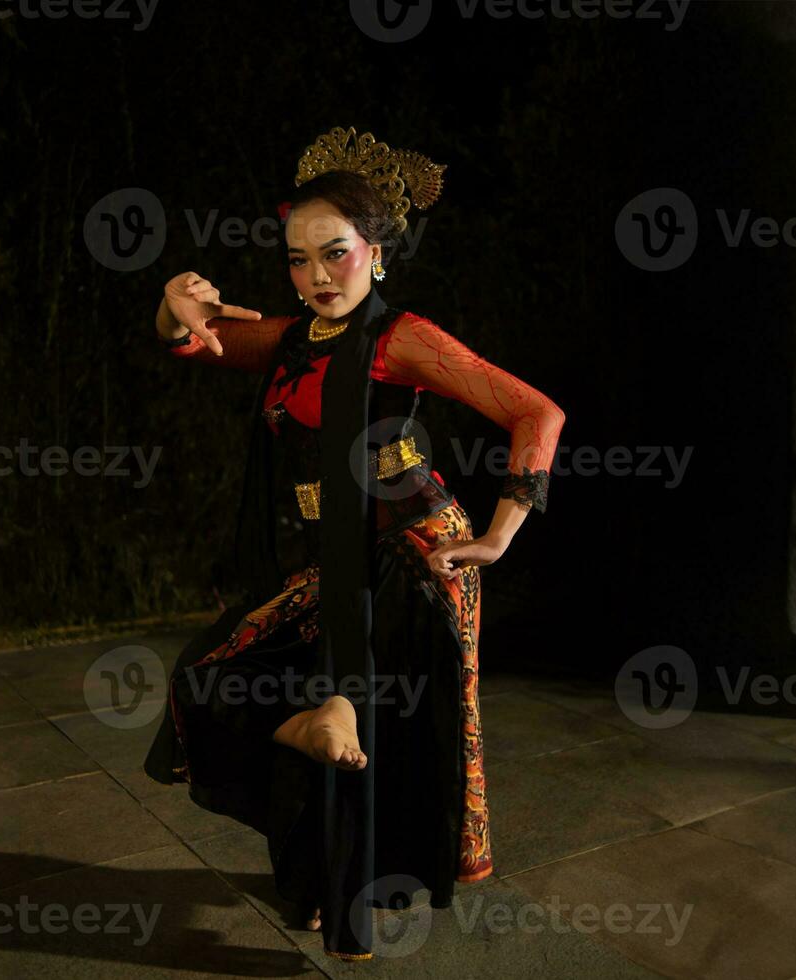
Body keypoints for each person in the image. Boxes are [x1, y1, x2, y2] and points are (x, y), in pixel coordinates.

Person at [142, 126, 565, 961]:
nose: (315, 277)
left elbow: (536, 413)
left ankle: (347, 910)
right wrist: (174, 298)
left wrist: (499, 536)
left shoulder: (401, 336)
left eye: (334, 254)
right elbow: (196, 342)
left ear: (376, 253)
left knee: (376, 740)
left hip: (411, 556)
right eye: (298, 260)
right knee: (212, 674)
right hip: (327, 559)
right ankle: (314, 878)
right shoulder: (294, 339)